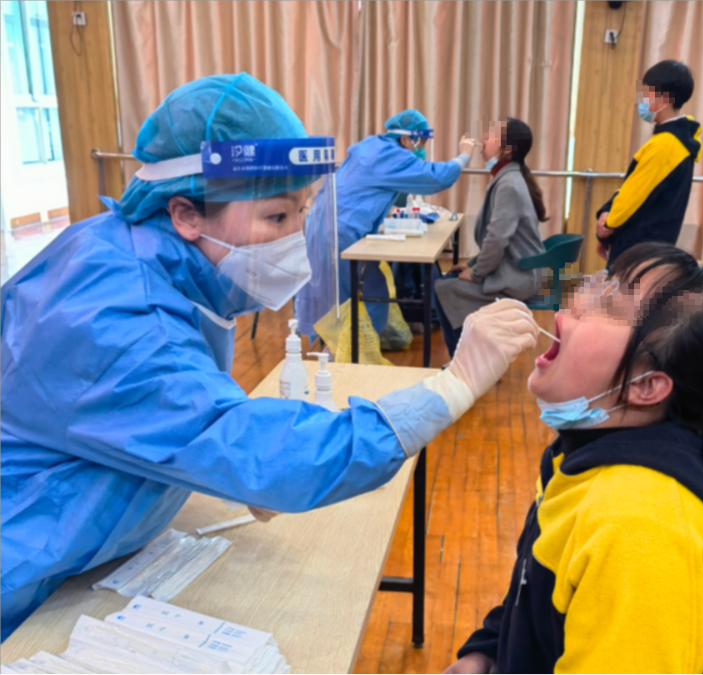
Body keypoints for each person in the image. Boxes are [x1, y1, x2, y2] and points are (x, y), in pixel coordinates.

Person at [0, 74, 540, 641]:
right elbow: (224, 431)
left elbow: (172, 409)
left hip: (80, 557)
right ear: (186, 214)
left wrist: (223, 469)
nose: (294, 239)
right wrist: (450, 387)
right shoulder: (115, 315)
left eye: (302, 214)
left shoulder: (151, 260)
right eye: (277, 219)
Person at [441, 242, 703, 675]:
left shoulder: (637, 529)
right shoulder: (582, 457)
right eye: (599, 282)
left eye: (608, 302)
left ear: (645, 386)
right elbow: (540, 592)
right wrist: (489, 651)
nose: (575, 296)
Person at [295, 109, 476, 336]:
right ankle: (348, 351)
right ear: (404, 139)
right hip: (341, 230)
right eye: (417, 142)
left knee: (330, 288)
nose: (419, 149)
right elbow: (436, 177)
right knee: (352, 293)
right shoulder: (391, 156)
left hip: (322, 221)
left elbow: (369, 188)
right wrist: (464, 156)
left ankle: (346, 345)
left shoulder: (370, 146)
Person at [434, 118, 547, 357]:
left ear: (507, 150)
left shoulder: (508, 184)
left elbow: (496, 240)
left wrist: (476, 274)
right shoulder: (508, 178)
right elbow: (496, 240)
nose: (484, 138)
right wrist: (472, 265)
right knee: (449, 280)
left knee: (442, 290)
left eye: (492, 135)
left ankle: (466, 365)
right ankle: (472, 360)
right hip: (515, 271)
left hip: (518, 279)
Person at [595, 60, 701, 265]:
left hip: (638, 251)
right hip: (651, 248)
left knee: (626, 297)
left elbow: (632, 197)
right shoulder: (675, 142)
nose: (641, 99)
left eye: (646, 93)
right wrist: (608, 210)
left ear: (664, 99)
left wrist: (606, 226)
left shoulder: (665, 146)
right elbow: (633, 186)